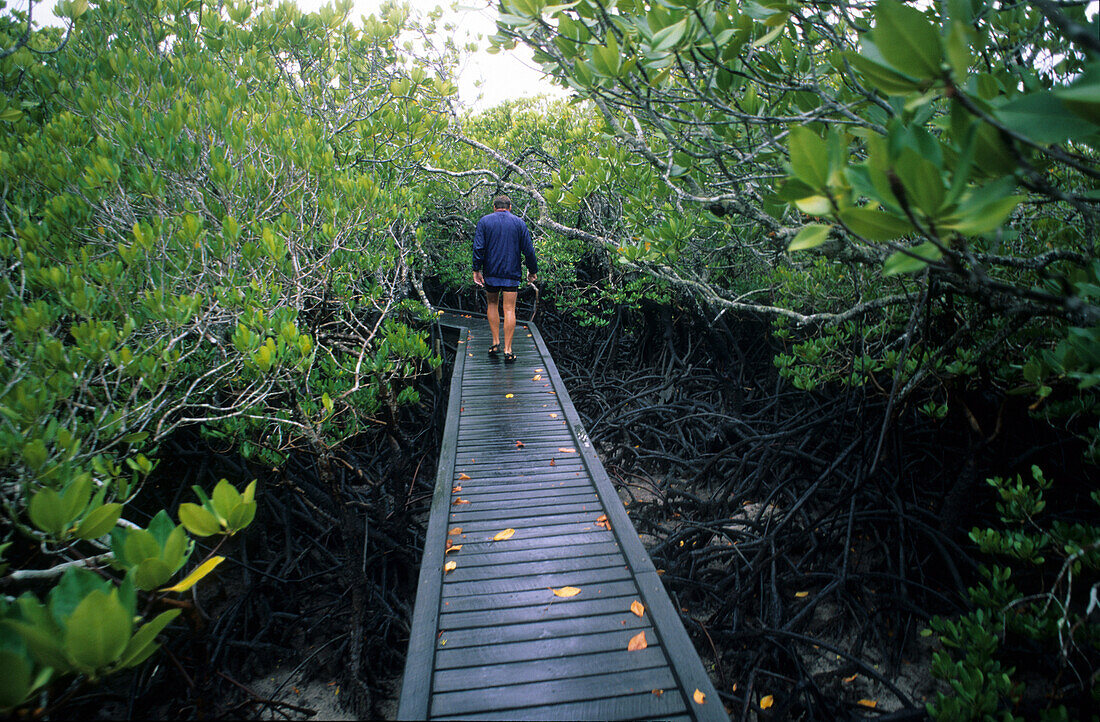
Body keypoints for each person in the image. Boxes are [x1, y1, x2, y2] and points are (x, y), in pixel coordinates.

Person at [472, 195, 538, 364]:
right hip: (511, 272)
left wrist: (476, 270)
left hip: (491, 272)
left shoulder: (484, 222)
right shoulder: (519, 223)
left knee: (492, 304)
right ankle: (508, 349)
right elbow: (529, 250)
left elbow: (478, 248)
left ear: (494, 207)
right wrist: (532, 270)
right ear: (509, 207)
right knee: (509, 309)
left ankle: (495, 342)